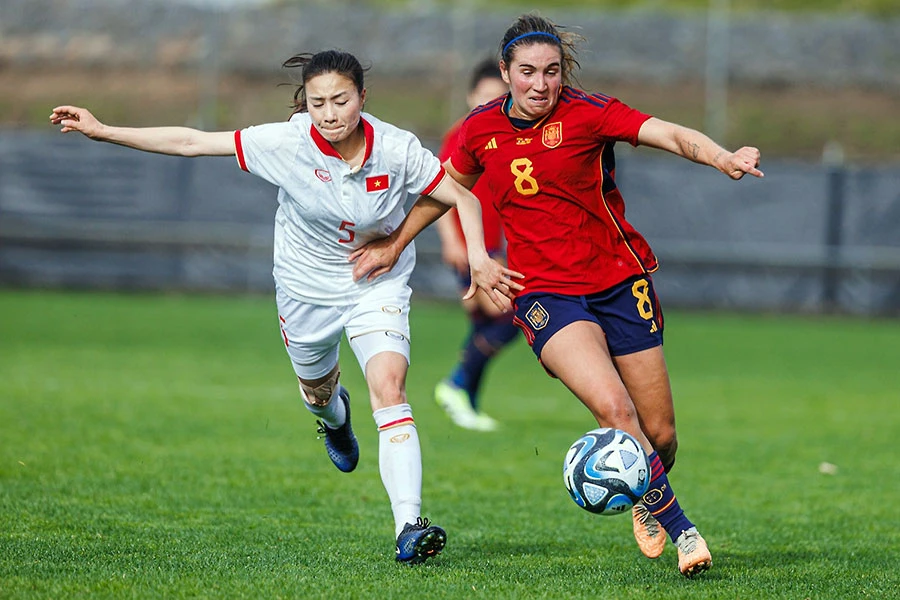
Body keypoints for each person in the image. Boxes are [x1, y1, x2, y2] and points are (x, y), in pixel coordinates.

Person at [50, 49, 523, 565]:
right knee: (319, 395)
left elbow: (464, 197)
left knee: (389, 386)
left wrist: (478, 256)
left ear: (362, 97)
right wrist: (104, 130)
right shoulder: (287, 142)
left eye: (340, 100)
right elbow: (191, 142)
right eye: (318, 102)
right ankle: (333, 419)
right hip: (303, 289)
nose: (330, 112)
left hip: (376, 284)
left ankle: (409, 525)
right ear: (306, 105)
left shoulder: (397, 147)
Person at [350, 14, 763, 577]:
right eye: (527, 72)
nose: (540, 84)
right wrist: (396, 243)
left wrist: (721, 157)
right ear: (505, 72)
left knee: (659, 434)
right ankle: (683, 530)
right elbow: (443, 191)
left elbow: (666, 131)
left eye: (551, 72)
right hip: (545, 293)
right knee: (615, 410)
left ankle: (645, 490)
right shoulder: (479, 131)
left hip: (621, 281)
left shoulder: (588, 113)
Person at [433, 58, 518, 432]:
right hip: (475, 248)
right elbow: (437, 192)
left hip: (497, 246)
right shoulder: (461, 136)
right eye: (483, 97)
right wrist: (452, 240)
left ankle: (466, 400)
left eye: (498, 98)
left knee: (485, 322)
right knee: (513, 314)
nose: (489, 105)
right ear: (470, 97)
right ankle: (455, 383)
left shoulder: (502, 135)